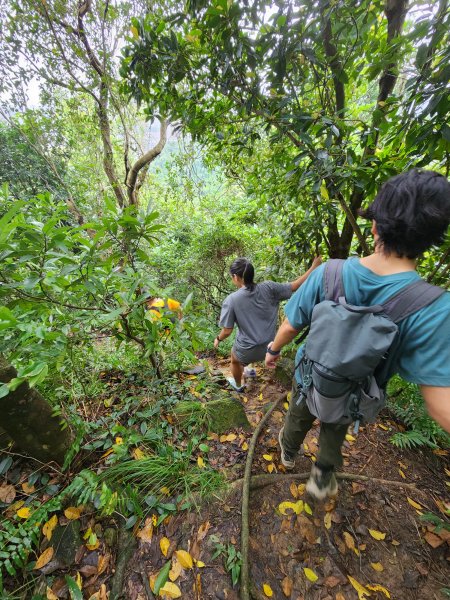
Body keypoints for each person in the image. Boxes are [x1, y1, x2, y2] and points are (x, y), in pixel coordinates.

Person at [265, 169, 450, 500]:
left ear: (375, 226)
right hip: (356, 390)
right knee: (335, 425)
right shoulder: (432, 307)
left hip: (311, 374)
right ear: (430, 241)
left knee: (300, 411)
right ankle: (322, 476)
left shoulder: (329, 273)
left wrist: (273, 350)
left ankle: (289, 450)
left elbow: (291, 325)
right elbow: (441, 404)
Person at [215, 256, 322, 391]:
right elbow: (295, 285)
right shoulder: (269, 287)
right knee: (247, 348)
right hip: (271, 347)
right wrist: (314, 267)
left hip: (247, 350)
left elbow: (227, 331)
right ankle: (250, 373)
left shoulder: (231, 300)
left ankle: (238, 385)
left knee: (235, 358)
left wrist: (218, 339)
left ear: (235, 277)